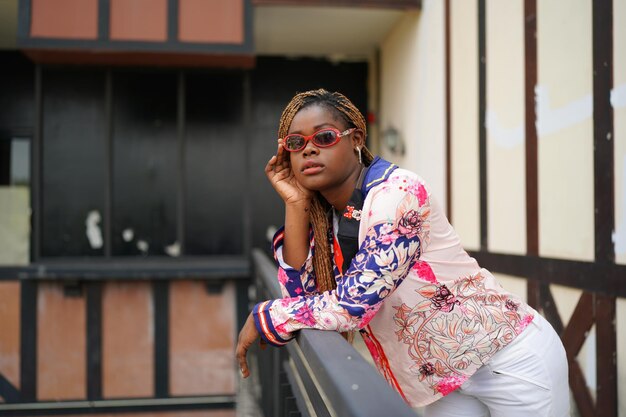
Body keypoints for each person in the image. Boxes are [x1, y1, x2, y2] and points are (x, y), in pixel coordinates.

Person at [236, 89, 570, 417]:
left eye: (324, 137)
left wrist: (267, 316)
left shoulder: (397, 194)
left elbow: (353, 304)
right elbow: (302, 297)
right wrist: (295, 204)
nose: (308, 150)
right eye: (296, 143)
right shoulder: (327, 218)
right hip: (447, 377)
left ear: (356, 139)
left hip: (510, 358)